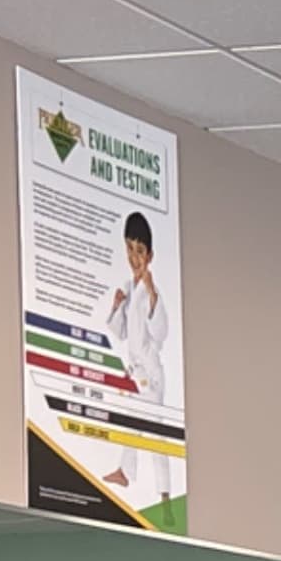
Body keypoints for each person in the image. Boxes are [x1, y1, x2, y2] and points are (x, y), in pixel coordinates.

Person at [104, 213, 171, 509]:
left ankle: (166, 496)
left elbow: (160, 333)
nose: (134, 257)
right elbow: (119, 333)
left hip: (152, 377)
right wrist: (117, 306)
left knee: (154, 436)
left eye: (140, 251)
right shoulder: (130, 290)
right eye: (130, 249)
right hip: (136, 375)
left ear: (150, 255)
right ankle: (127, 474)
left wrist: (153, 292)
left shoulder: (150, 293)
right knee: (133, 426)